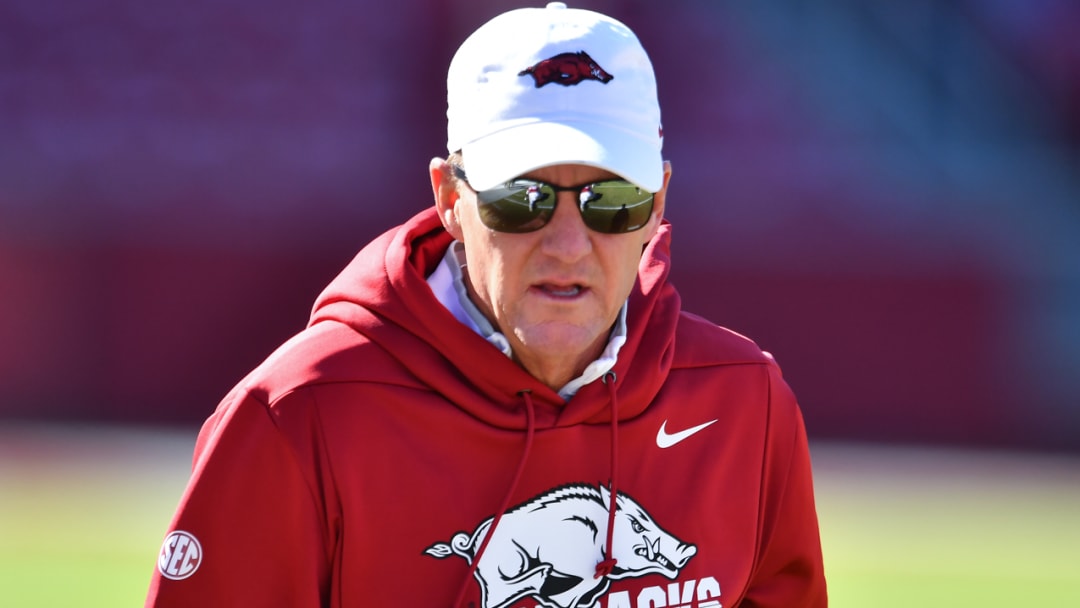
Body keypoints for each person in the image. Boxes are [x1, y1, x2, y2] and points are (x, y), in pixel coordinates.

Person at [145, 3, 827, 607]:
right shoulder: (297, 415)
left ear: (659, 204)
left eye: (612, 201)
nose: (567, 244)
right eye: (520, 199)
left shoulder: (746, 404)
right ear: (449, 198)